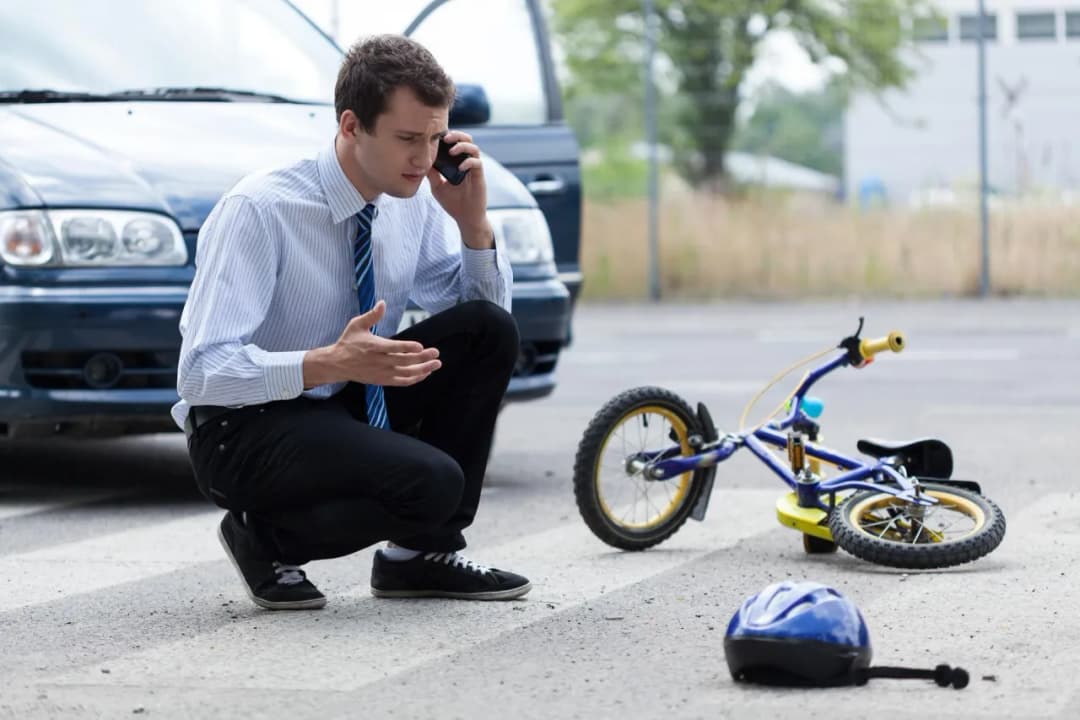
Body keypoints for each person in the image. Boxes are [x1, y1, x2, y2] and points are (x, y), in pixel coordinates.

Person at [173, 34, 531, 610]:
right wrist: (327, 364)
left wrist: (474, 227)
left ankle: (419, 558)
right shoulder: (260, 209)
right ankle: (261, 539)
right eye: (408, 139)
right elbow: (200, 374)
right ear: (351, 126)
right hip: (242, 427)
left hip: (342, 400)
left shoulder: (412, 200)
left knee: (487, 330)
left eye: (435, 138)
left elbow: (486, 316)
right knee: (434, 482)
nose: (424, 159)